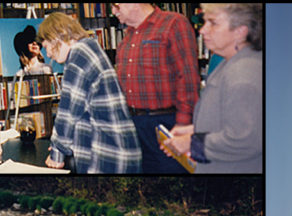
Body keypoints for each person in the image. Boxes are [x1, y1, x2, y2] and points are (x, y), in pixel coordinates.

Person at [162, 3, 262, 173]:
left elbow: (247, 140)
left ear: (241, 31)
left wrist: (191, 143)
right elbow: (232, 121)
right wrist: (194, 130)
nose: (202, 30)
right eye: (205, 22)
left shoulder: (243, 74)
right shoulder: (229, 63)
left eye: (213, 23)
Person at [38, 12, 141, 173]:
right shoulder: (89, 47)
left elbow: (68, 111)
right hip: (117, 149)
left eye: (46, 47)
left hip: (109, 156)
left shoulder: (79, 56)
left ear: (57, 37)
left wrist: (57, 152)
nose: (48, 54)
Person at [112, 3, 200, 174]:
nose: (113, 11)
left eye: (116, 5)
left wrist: (183, 127)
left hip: (167, 125)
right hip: (133, 126)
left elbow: (188, 79)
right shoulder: (126, 38)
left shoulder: (174, 23)